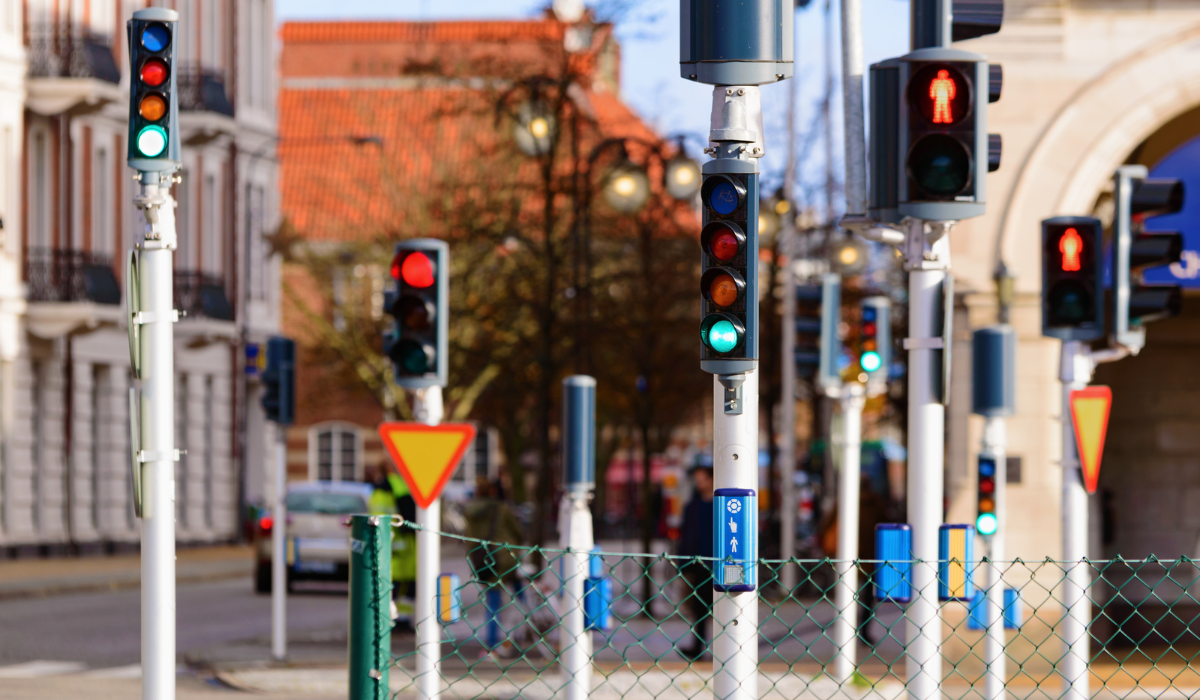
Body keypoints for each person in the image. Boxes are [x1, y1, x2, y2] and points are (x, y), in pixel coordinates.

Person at [463, 476, 527, 656]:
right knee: (522, 597)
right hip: (505, 558)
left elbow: (468, 539)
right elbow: (517, 532)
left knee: (493, 604)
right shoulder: (501, 508)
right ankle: (532, 630)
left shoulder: (470, 512)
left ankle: (491, 645)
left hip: (482, 559)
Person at [366, 460, 418, 632]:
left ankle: (390, 620)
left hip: (387, 543)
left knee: (390, 584)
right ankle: (398, 620)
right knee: (404, 585)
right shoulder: (398, 485)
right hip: (403, 544)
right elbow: (411, 514)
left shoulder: (376, 490)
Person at [676, 465, 714, 660]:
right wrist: (684, 564)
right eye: (697, 480)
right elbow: (687, 537)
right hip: (699, 566)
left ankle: (726, 648)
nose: (699, 484)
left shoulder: (723, 505)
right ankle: (697, 647)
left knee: (721, 607)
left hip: (718, 565)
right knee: (699, 608)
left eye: (703, 479)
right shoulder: (693, 506)